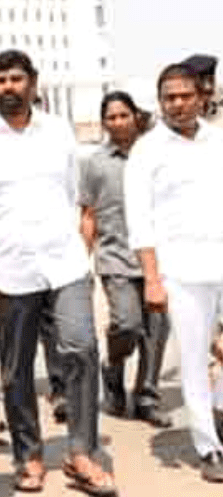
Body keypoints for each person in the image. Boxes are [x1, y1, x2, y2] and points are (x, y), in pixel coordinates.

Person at [0, 50, 115, 495]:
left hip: (63, 261)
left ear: (33, 82)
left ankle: (82, 452)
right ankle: (28, 455)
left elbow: (71, 190)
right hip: (9, 268)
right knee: (15, 370)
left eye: (17, 79)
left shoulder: (58, 131)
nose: (9, 87)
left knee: (82, 348)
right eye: (1, 80)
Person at [125, 64, 223, 482]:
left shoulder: (218, 140)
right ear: (160, 100)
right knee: (196, 358)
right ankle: (209, 445)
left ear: (200, 96)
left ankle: (218, 406)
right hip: (181, 271)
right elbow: (139, 221)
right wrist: (152, 278)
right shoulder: (147, 150)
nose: (179, 103)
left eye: (185, 95)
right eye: (170, 97)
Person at [80, 92, 170, 428]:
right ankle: (112, 370)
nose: (117, 122)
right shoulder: (94, 163)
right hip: (115, 257)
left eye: (123, 115)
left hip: (158, 258)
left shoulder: (156, 155)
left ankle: (146, 396)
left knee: (157, 330)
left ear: (136, 116)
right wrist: (82, 260)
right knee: (128, 323)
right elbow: (88, 215)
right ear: (104, 123)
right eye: (111, 117)